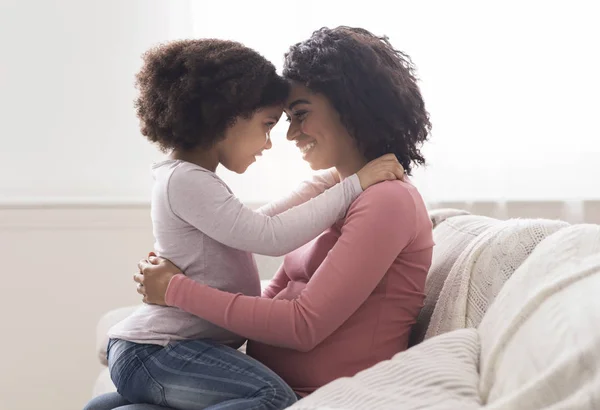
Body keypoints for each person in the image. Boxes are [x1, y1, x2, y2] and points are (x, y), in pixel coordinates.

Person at [86, 38, 404, 410]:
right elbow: (269, 237)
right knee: (272, 398)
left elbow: (256, 224)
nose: (270, 143)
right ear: (224, 116)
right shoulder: (186, 181)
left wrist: (329, 181)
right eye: (267, 125)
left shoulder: (189, 179)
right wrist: (355, 184)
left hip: (162, 350)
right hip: (161, 350)